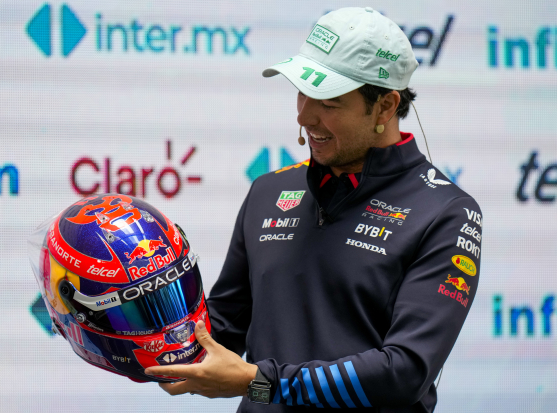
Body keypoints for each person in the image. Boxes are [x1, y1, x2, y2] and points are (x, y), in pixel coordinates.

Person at [145, 7, 482, 412]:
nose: (305, 115)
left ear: (386, 106)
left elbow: (404, 372)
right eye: (303, 92)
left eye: (330, 102)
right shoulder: (269, 190)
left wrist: (260, 383)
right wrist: (119, 316)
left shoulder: (446, 211)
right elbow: (223, 328)